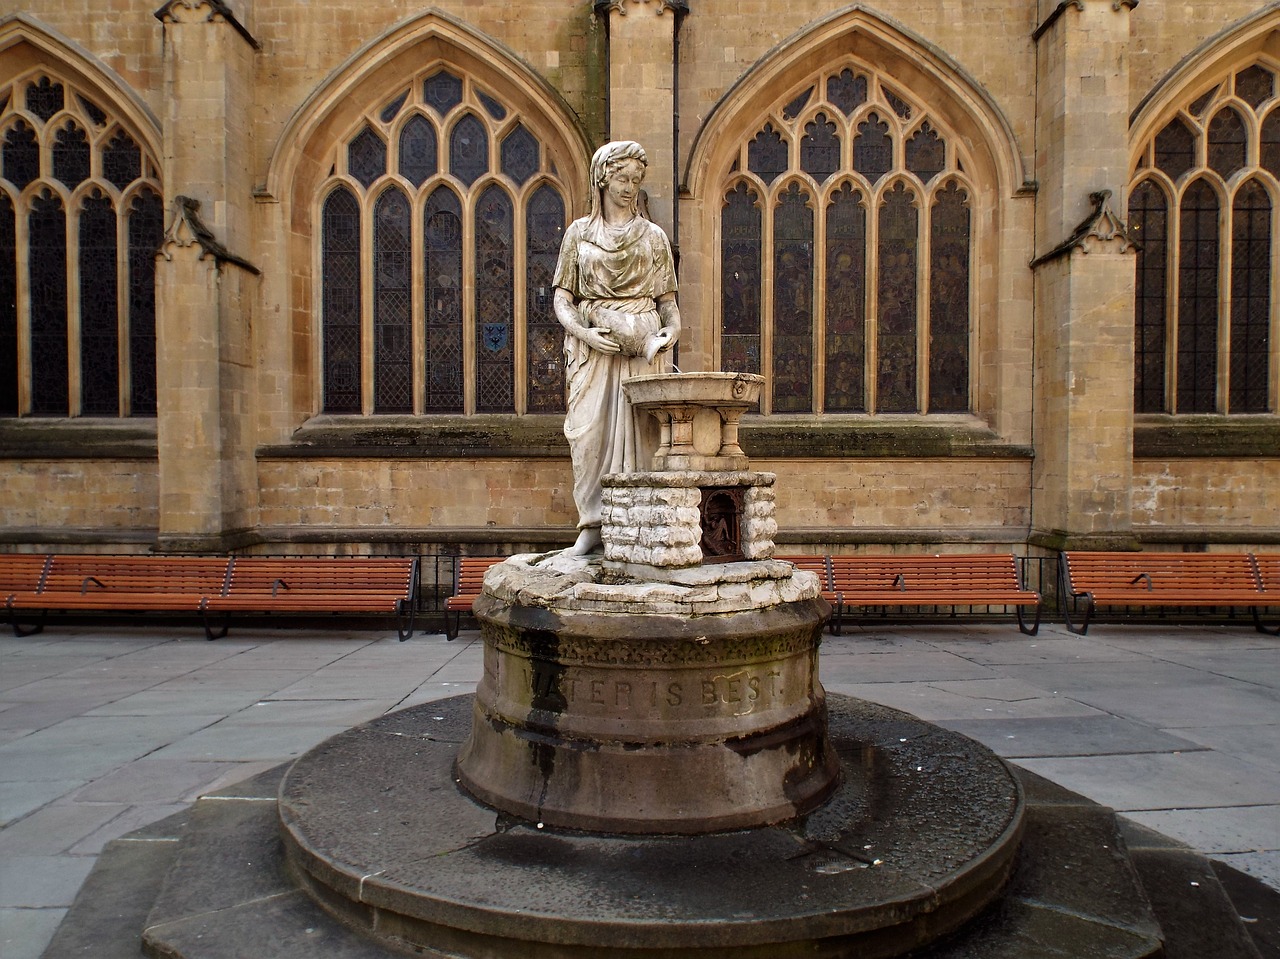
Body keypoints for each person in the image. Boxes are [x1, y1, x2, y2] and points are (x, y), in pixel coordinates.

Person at [553, 141, 682, 556]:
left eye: (636, 180)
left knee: (644, 437)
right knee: (587, 434)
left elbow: (669, 306)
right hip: (594, 351)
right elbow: (561, 300)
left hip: (643, 350)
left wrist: (670, 335)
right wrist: (585, 334)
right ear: (603, 178)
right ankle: (592, 524)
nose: (629, 188)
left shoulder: (654, 237)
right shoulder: (579, 234)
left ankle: (640, 526)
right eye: (622, 178)